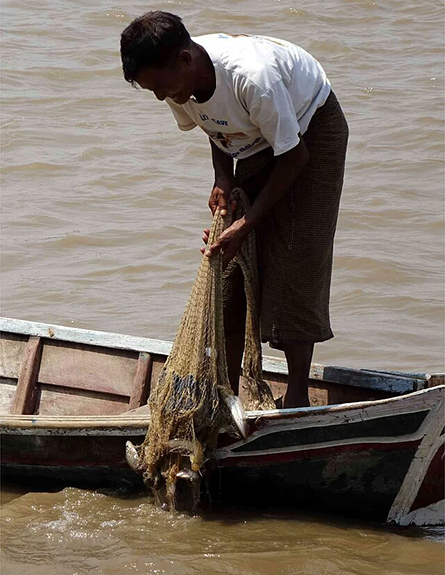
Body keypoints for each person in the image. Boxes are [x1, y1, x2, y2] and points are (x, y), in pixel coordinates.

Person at [120, 11, 349, 408]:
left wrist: (246, 221)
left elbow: (294, 156)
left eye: (159, 86)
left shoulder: (252, 79)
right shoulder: (179, 85)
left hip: (310, 129)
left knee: (295, 260)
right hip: (252, 137)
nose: (160, 96)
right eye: (150, 90)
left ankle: (297, 396)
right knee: (229, 272)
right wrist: (222, 178)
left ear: (185, 59)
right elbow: (216, 128)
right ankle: (223, 394)